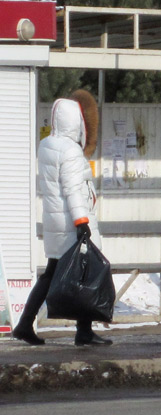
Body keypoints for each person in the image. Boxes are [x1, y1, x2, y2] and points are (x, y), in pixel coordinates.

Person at [12, 90, 112, 347]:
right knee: (85, 272)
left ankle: (25, 324)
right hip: (70, 221)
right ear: (76, 122)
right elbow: (72, 189)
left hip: (55, 221)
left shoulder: (47, 145)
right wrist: (82, 222)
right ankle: (84, 332)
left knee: (52, 273)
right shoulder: (70, 151)